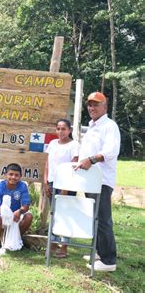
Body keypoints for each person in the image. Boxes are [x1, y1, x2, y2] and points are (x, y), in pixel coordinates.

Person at [75, 92, 120, 272]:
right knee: (93, 218)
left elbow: (110, 152)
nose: (92, 108)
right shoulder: (92, 126)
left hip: (101, 181)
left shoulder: (109, 126)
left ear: (105, 107)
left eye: (96, 105)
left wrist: (90, 160)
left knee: (102, 220)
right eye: (90, 105)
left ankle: (109, 261)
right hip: (90, 181)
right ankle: (99, 252)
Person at [44, 118, 79, 258]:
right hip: (53, 183)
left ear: (69, 130)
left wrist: (65, 187)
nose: (60, 131)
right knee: (53, 213)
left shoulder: (74, 145)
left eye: (63, 129)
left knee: (66, 215)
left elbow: (72, 167)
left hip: (66, 185)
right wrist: (46, 182)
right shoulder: (52, 144)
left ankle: (64, 247)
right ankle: (53, 243)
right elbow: (47, 164)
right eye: (58, 128)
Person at [0, 163, 33, 251]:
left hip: (16, 214)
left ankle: (17, 240)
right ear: (5, 175)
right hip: (2, 215)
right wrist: (9, 215)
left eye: (16, 175)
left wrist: (19, 211)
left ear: (20, 176)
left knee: (29, 216)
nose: (13, 177)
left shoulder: (22, 186)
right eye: (11, 174)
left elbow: (26, 205)